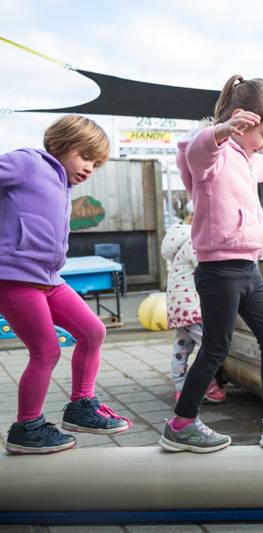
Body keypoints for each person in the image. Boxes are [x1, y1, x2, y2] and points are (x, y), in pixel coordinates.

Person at [160, 74, 263, 453]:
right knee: (216, 348)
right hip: (219, 269)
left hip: (248, 269)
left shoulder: (248, 160)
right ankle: (181, 424)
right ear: (241, 120)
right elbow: (200, 150)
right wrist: (221, 130)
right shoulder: (211, 158)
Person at [0, 115, 131, 454]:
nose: (90, 168)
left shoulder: (63, 186)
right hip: (15, 278)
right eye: (86, 156)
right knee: (46, 351)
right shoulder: (28, 163)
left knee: (93, 331)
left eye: (97, 164)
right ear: (62, 143)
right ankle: (26, 427)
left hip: (49, 279)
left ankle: (81, 407)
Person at [160, 214, 226, 404]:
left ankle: (181, 390)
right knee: (212, 347)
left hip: (180, 307)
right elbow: (207, 266)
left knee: (182, 349)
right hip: (193, 306)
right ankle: (207, 384)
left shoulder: (180, 240)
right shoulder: (194, 241)